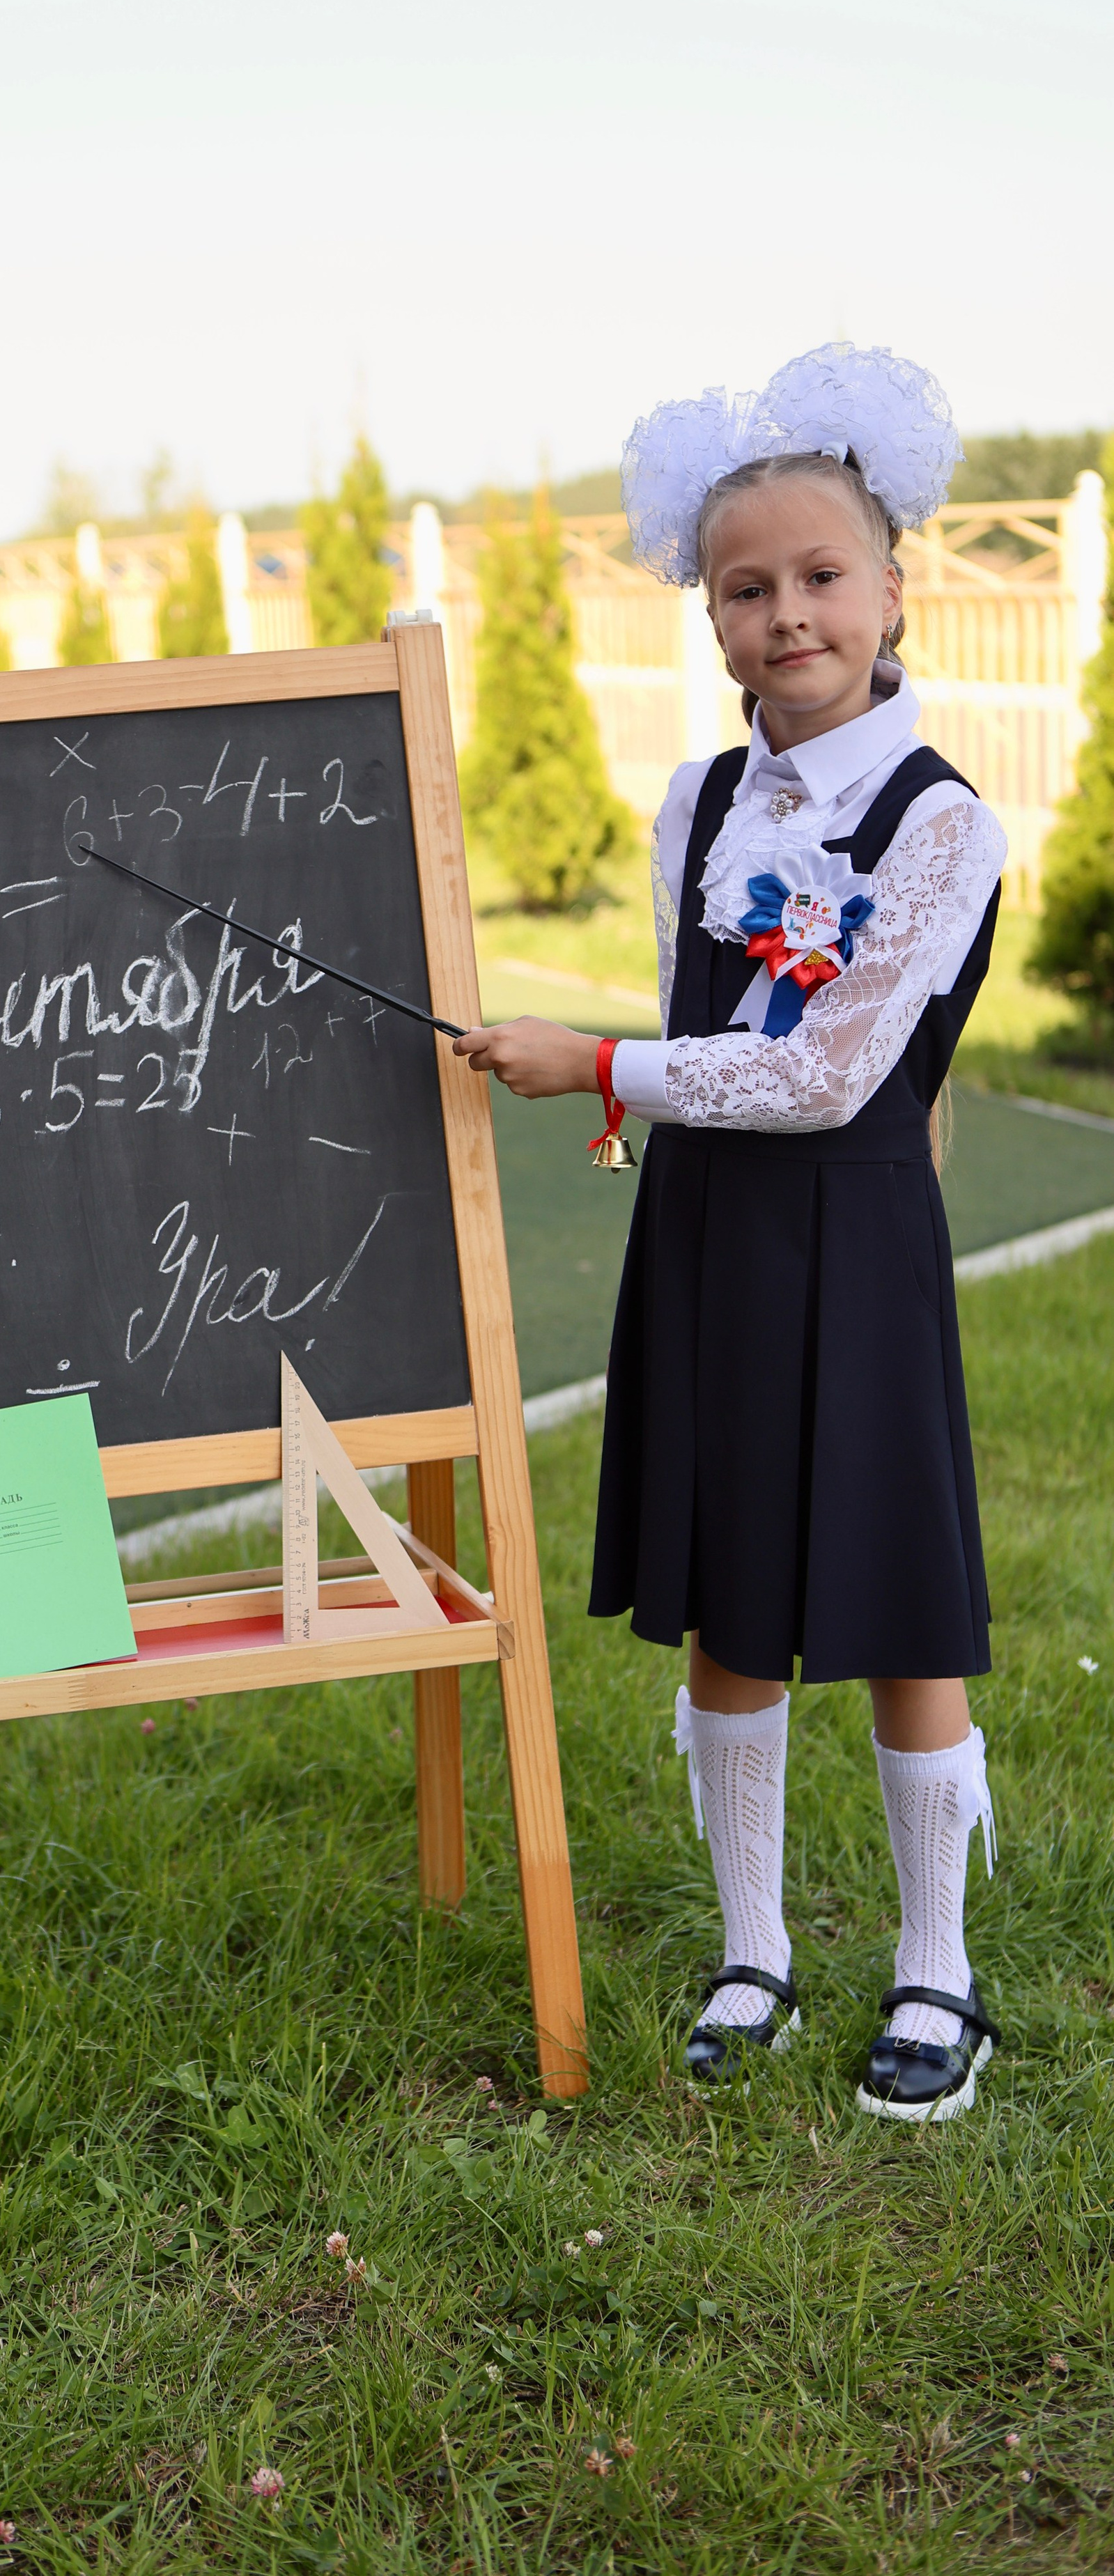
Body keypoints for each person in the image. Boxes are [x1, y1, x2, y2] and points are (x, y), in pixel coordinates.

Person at [454, 345, 1005, 2123]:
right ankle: (750, 1944)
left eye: (819, 578)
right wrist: (633, 1079)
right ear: (705, 614)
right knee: (731, 1601)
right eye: (743, 587)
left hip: (852, 1246)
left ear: (891, 585)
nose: (786, 616)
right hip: (704, 1245)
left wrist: (592, 1064)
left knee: (898, 1603)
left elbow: (837, 1072)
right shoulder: (694, 802)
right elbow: (715, 1002)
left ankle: (937, 1969)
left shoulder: (943, 823)